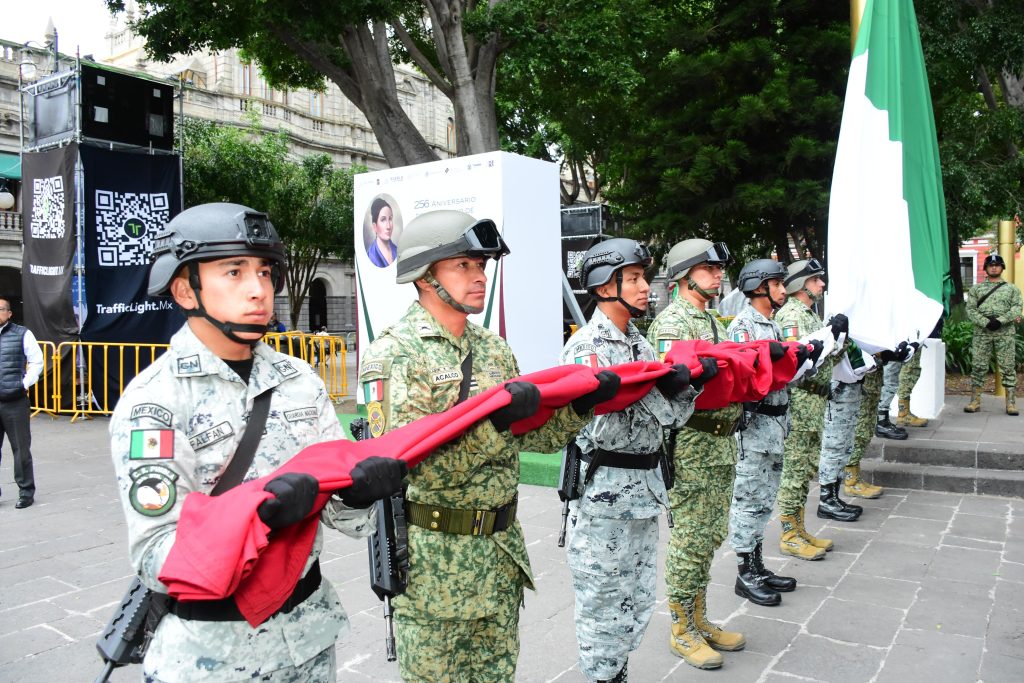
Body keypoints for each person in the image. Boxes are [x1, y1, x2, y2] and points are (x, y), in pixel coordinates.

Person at [110, 203, 406, 681]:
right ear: (185, 289)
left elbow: (345, 518)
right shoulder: (155, 401)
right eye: (234, 272)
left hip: (309, 640)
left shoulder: (299, 379)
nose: (258, 290)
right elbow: (155, 554)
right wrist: (256, 519)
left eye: (265, 273)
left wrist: (357, 495)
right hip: (213, 658)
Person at [359, 210, 606, 682]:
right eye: (464, 266)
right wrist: (496, 426)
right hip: (436, 567)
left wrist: (579, 408)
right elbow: (407, 465)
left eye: (482, 266)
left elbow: (528, 438)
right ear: (426, 276)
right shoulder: (394, 355)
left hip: (499, 555)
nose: (479, 277)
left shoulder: (493, 349)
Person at [561, 238, 699, 683]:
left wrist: (683, 388)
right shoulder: (587, 348)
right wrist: (659, 389)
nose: (645, 288)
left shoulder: (638, 343)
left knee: (637, 598)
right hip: (606, 495)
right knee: (603, 600)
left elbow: (674, 418)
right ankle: (604, 676)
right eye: (634, 279)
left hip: (643, 490)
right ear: (604, 287)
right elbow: (605, 424)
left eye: (643, 278)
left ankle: (618, 672)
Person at [647, 238, 746, 670]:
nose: (719, 274)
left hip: (721, 441)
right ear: (686, 275)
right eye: (709, 268)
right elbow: (672, 386)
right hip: (692, 445)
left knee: (710, 534)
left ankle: (700, 616)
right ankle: (681, 626)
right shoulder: (673, 323)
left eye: (719, 268)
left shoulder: (712, 320)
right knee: (689, 538)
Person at [726, 260, 799, 607]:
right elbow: (745, 376)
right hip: (754, 429)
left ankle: (758, 564)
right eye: (777, 284)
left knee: (765, 499)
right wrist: (771, 361)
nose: (783, 290)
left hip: (775, 426)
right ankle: (745, 572)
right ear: (759, 286)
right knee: (747, 501)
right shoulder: (744, 326)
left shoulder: (771, 325)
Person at [774, 259, 844, 560]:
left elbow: (825, 355)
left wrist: (836, 336)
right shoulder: (791, 314)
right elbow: (797, 359)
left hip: (814, 402)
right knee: (795, 469)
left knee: (805, 469)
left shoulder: (809, 314)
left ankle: (799, 527)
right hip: (801, 402)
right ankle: (789, 533)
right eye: (816, 280)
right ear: (801, 284)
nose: (821, 284)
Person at [964, 253, 1023, 415]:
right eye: (991, 265)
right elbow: (970, 309)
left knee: (1008, 367)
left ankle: (1010, 403)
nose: (994, 267)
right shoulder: (976, 289)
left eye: (997, 265)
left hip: (1005, 333)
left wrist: (1001, 320)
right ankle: (974, 401)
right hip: (982, 333)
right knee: (978, 366)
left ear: (1002, 267)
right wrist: (986, 322)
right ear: (986, 268)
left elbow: (1017, 307)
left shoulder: (1011, 289)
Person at [0, 297, 44, 509]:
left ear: (9, 313)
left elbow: (37, 361)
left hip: (14, 401)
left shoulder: (22, 334)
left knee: (21, 450)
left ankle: (26, 491)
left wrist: (23, 384)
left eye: (0, 309)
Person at [367, 197, 398, 267]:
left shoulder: (397, 251)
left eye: (390, 219)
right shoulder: (371, 256)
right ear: (375, 226)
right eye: (383, 220)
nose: (388, 226)